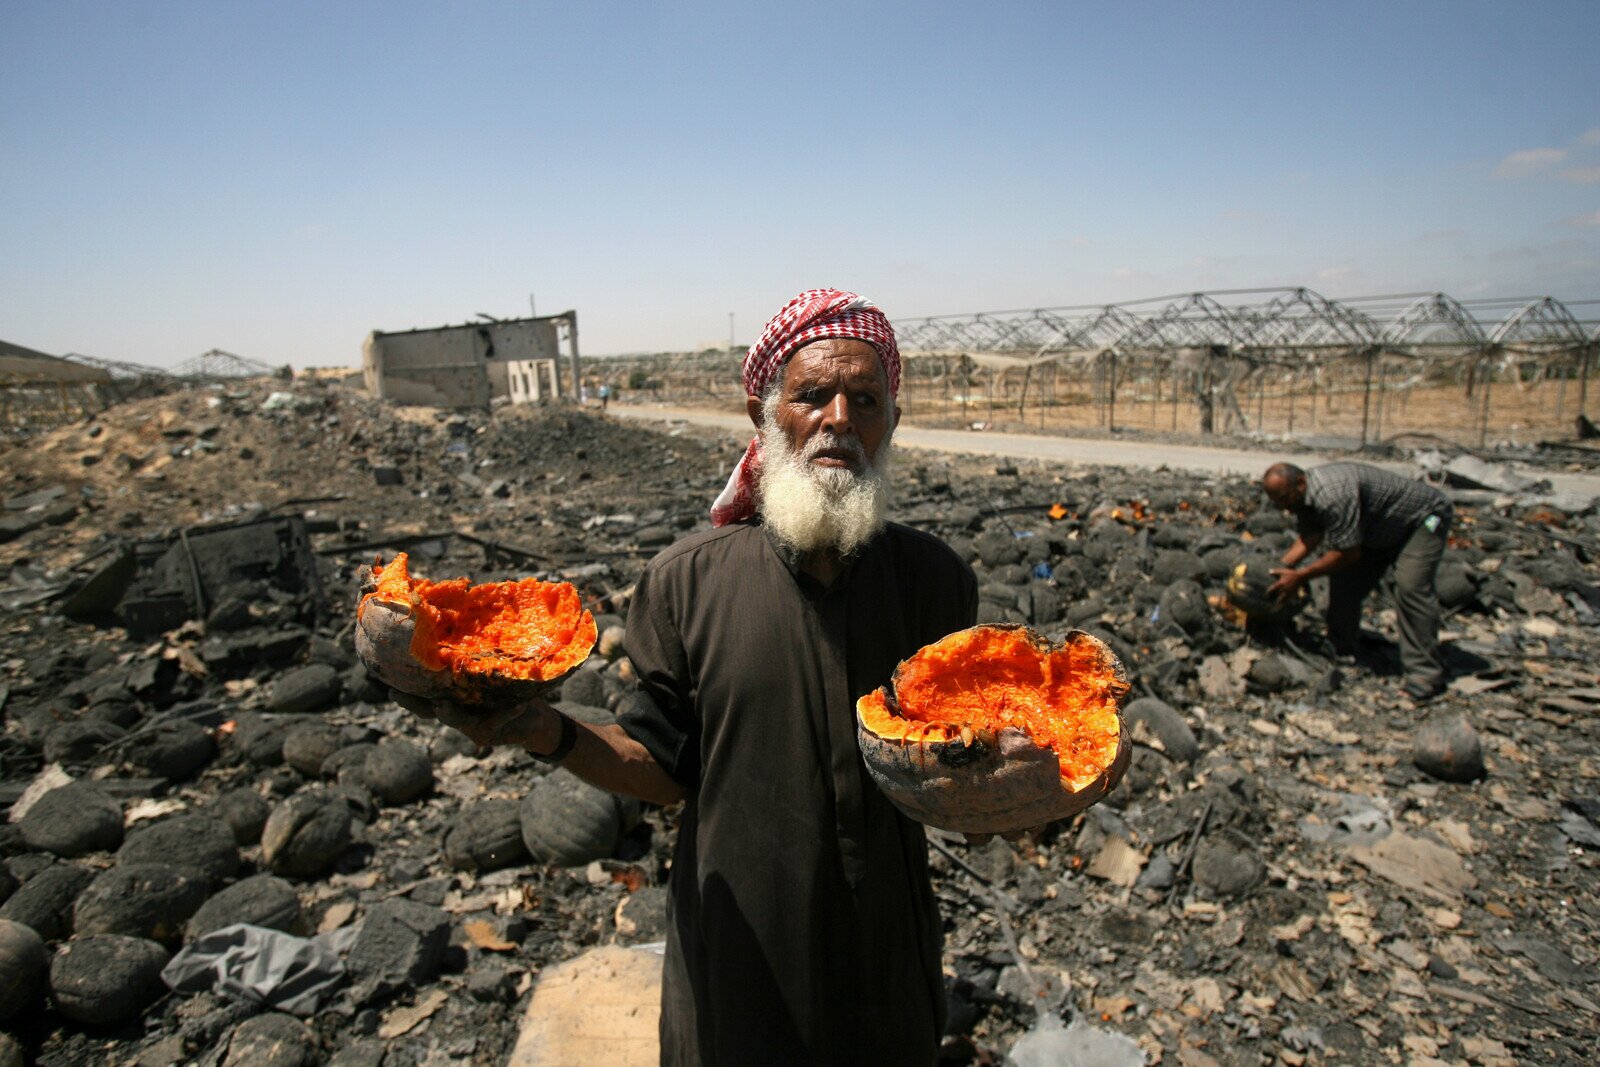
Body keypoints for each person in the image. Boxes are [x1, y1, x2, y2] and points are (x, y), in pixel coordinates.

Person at [395, 288, 978, 1065]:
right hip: (739, 979)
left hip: (887, 974)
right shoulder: (686, 582)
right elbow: (665, 769)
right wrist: (545, 729)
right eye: (812, 395)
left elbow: (962, 767)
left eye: (865, 399)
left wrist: (1042, 777)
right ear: (764, 414)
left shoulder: (936, 582)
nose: (840, 416)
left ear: (891, 421)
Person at [1261, 461, 1453, 702]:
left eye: (1283, 498)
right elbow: (1311, 535)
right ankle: (1342, 649)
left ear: (1300, 483)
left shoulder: (1332, 495)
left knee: (1411, 587)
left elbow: (1348, 554)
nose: (1283, 507)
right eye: (1276, 502)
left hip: (1424, 520)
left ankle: (1425, 676)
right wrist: (1281, 568)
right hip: (1378, 531)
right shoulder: (1302, 496)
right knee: (1345, 583)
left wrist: (1301, 576)